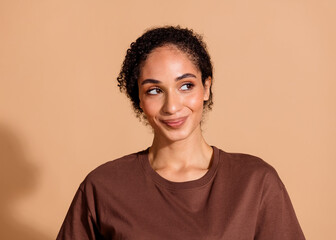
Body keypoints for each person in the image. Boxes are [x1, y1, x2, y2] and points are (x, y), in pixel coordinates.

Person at [57, 26, 305, 239]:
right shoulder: (103, 187)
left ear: (206, 87)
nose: (172, 106)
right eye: (155, 90)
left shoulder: (255, 182)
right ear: (139, 100)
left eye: (186, 86)